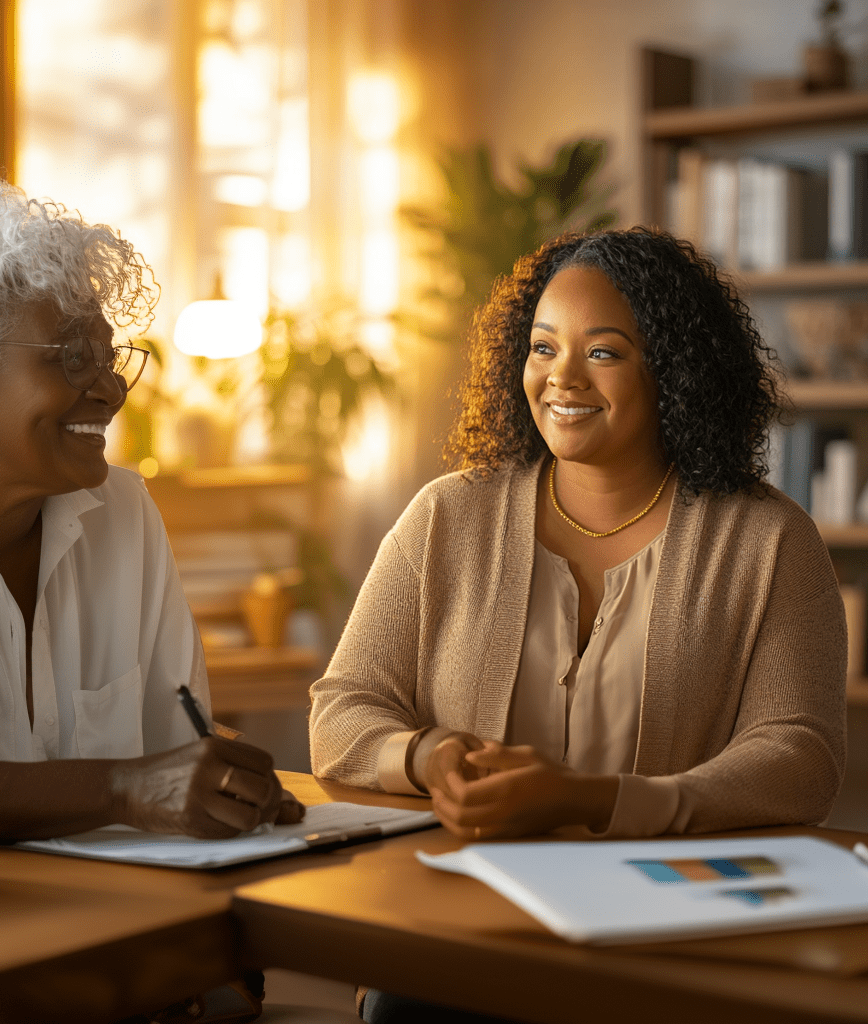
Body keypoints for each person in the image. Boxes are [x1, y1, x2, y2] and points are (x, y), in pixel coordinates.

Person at [310, 226, 846, 844]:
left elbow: (802, 760)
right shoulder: (445, 518)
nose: (562, 378)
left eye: (602, 353)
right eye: (543, 348)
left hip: (663, 905)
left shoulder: (769, 541)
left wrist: (601, 801)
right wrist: (429, 758)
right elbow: (341, 712)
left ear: (674, 372)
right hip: (457, 893)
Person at [0, 175, 304, 849]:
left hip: (118, 916)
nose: (112, 388)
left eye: (111, 356)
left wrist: (219, 782)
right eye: (72, 358)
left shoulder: (124, 510)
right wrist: (123, 787)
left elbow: (173, 744)